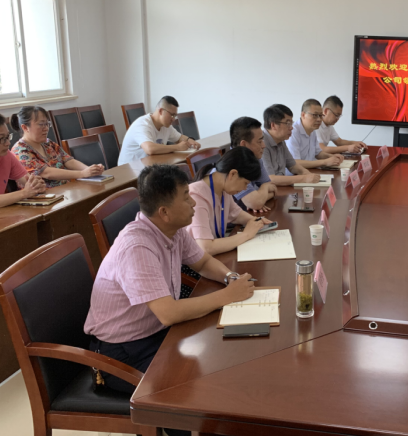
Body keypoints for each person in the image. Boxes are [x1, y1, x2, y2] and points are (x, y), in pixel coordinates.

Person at [84, 164, 255, 394]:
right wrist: (227, 296)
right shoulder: (137, 247)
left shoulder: (172, 229)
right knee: (204, 386)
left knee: (223, 355)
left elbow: (203, 262)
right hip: (122, 354)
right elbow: (169, 313)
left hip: (158, 332)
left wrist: (229, 277)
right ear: (164, 212)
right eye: (186, 197)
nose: (193, 202)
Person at [187, 147, 271, 255]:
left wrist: (256, 221)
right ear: (233, 174)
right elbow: (206, 248)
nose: (245, 188)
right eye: (245, 183)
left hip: (213, 255)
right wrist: (246, 234)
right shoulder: (196, 195)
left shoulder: (223, 188)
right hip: (194, 261)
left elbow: (236, 214)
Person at [10, 106, 105, 188]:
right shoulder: (20, 151)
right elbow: (47, 173)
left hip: (66, 191)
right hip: (44, 197)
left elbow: (68, 160)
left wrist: (91, 170)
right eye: (41, 124)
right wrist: (82, 173)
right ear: (25, 127)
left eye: (47, 124)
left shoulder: (48, 143)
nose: (46, 128)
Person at [0, 111, 45, 210]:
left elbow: (28, 182)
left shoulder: (5, 155)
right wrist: (24, 193)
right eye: (1, 139)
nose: (8, 143)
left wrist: (37, 185)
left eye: (8, 137)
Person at [118, 96, 201, 165]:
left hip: (148, 166)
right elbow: (149, 149)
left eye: (175, 116)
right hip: (129, 170)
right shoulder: (143, 124)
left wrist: (189, 140)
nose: (173, 119)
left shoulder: (166, 126)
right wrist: (177, 147)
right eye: (172, 115)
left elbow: (179, 138)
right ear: (161, 111)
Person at [261, 104, 320, 185]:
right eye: (288, 123)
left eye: (291, 123)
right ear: (273, 125)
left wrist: (307, 174)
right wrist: (304, 178)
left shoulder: (281, 141)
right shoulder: (261, 143)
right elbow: (271, 179)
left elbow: (293, 166)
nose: (291, 127)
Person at [229, 117, 277, 212]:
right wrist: (265, 188)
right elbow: (255, 203)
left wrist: (259, 198)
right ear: (244, 145)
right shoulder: (233, 165)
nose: (264, 145)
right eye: (259, 141)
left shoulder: (255, 158)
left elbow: (273, 189)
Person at [286, 99, 344, 169]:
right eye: (315, 115)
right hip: (295, 174)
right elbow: (295, 163)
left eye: (320, 115)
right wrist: (325, 162)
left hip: (309, 171)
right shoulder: (293, 132)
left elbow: (318, 153)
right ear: (303, 115)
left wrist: (331, 156)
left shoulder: (312, 130)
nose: (319, 119)